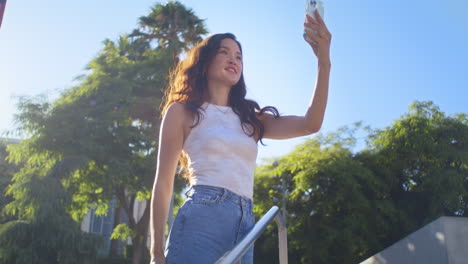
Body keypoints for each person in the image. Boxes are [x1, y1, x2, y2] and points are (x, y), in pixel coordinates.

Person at [150, 10, 331, 264]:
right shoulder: (181, 111)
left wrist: (324, 61)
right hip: (202, 217)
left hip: (246, 223)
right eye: (224, 52)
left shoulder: (251, 119)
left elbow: (311, 124)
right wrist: (156, 253)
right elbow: (163, 183)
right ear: (205, 60)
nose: (233, 58)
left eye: (238, 56)